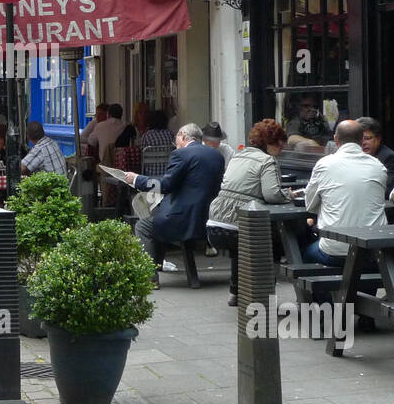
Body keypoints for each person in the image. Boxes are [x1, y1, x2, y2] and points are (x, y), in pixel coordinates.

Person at [123, 124, 225, 288]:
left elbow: (164, 186)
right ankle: (158, 267)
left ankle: (150, 277)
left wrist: (136, 179)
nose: (175, 141)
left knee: (143, 226)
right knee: (158, 217)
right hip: (207, 220)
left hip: (183, 221)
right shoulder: (216, 156)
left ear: (183, 135)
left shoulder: (180, 154)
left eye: (177, 137)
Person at [208, 119, 290, 300]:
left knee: (241, 243)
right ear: (270, 143)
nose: (281, 150)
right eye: (280, 145)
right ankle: (265, 294)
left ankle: (235, 292)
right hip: (238, 225)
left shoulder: (238, 156)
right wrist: (289, 195)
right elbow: (272, 195)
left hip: (215, 224)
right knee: (276, 239)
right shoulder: (267, 161)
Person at [303, 119, 388, 267]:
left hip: (334, 252)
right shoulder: (378, 166)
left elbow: (310, 206)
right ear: (361, 140)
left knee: (305, 253)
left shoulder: (324, 165)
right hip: (374, 252)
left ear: (336, 139)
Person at [358, 116, 394, 191]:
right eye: (359, 139)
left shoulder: (390, 158)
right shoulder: (354, 156)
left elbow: (388, 188)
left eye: (367, 138)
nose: (363, 143)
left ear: (378, 139)